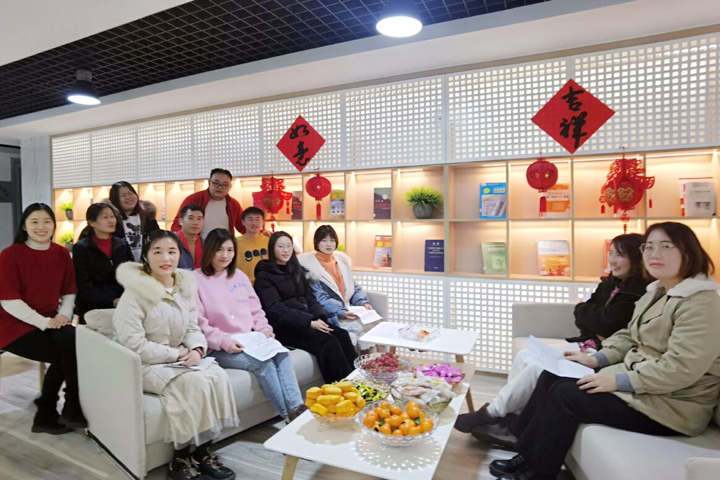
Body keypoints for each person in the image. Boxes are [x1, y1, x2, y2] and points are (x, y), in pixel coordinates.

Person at [489, 222, 720, 480]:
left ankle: (537, 472)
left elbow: (681, 369)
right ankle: (526, 454)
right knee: (552, 375)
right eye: (649, 247)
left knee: (566, 395)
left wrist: (618, 381)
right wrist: (596, 359)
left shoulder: (701, 303)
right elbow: (629, 334)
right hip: (647, 389)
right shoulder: (657, 292)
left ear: (689, 252)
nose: (655, 254)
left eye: (666, 246)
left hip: (674, 406)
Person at [455, 234, 649, 446]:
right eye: (610, 253)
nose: (612, 260)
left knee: (538, 366)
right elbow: (583, 315)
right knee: (524, 355)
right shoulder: (609, 284)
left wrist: (590, 315)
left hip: (602, 354)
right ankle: (512, 417)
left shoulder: (638, 292)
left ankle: (490, 413)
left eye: (620, 255)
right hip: (587, 343)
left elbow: (606, 323)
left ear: (636, 258)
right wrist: (591, 316)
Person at [114, 230, 239, 480]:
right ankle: (179, 459)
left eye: (172, 252)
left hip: (179, 359)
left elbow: (193, 327)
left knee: (216, 376)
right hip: (146, 363)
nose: (166, 258)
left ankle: (202, 451)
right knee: (194, 384)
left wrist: (197, 349)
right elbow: (133, 344)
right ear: (146, 257)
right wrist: (178, 353)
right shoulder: (134, 294)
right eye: (157, 252)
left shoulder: (183, 288)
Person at [194, 229, 307, 423]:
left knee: (281, 354)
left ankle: (296, 408)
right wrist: (225, 342)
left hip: (250, 340)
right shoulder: (196, 279)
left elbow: (256, 310)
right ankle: (288, 415)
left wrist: (265, 330)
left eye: (230, 250)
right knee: (263, 364)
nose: (225, 255)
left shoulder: (239, 276)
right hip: (220, 347)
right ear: (209, 250)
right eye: (219, 250)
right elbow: (199, 323)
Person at [0, 203, 86, 434]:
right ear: (24, 227)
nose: (41, 227)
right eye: (34, 222)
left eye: (47, 221)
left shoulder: (60, 253)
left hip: (50, 320)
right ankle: (62, 407)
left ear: (54, 225)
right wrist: (45, 322)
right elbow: (9, 301)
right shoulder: (10, 255)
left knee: (75, 340)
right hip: (12, 326)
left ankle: (55, 409)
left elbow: (69, 291)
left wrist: (63, 315)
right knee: (66, 352)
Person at [254, 231, 357, 383]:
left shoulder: (296, 269)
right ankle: (342, 387)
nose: (286, 250)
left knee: (342, 335)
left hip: (306, 321)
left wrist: (319, 318)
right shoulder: (264, 276)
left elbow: (310, 297)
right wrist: (309, 322)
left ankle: (358, 381)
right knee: (328, 342)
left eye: (289, 246)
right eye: (281, 246)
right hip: (285, 328)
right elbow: (276, 310)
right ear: (272, 249)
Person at [297, 225, 376, 351]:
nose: (328, 244)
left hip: (349, 310)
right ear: (316, 243)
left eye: (332, 240)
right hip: (332, 315)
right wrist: (340, 311)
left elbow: (353, 286)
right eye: (324, 240)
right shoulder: (310, 268)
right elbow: (320, 298)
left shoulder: (341, 261)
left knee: (374, 331)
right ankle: (360, 363)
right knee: (358, 335)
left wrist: (363, 302)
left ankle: (377, 363)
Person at [72, 203, 133, 323]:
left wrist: (125, 299)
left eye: (112, 216)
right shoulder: (81, 248)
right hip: (92, 306)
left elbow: (131, 275)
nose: (111, 220)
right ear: (92, 223)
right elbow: (83, 284)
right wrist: (112, 300)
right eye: (105, 217)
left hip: (122, 304)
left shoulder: (122, 245)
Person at [171, 169, 246, 239]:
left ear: (230, 187)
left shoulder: (233, 204)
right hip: (200, 245)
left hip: (225, 246)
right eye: (216, 183)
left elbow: (243, 226)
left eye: (225, 185)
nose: (220, 187)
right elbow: (177, 225)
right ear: (209, 182)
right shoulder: (194, 199)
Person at [109, 181, 160, 261]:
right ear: (115, 200)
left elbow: (157, 239)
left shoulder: (148, 216)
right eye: (123, 195)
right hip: (121, 265)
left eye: (131, 193)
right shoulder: (111, 220)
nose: (128, 197)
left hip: (145, 264)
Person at [235, 206, 269, 284]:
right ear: (243, 222)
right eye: (250, 219)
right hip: (243, 284)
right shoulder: (235, 242)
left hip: (266, 284)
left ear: (263, 222)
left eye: (257, 219)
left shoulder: (269, 241)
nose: (254, 223)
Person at [177, 204, 205, 270]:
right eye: (191, 218)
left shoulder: (205, 244)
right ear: (180, 221)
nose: (195, 223)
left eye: (199, 219)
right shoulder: (172, 241)